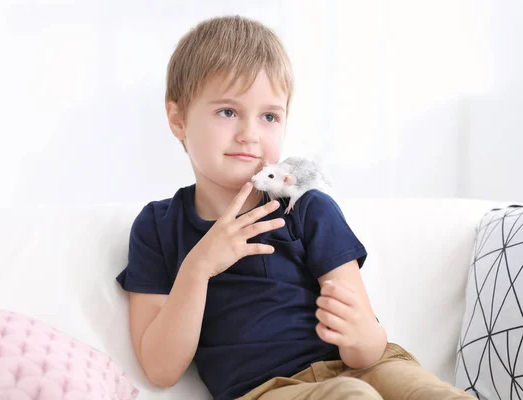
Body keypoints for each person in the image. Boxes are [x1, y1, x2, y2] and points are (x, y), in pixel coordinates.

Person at [115, 14, 475, 400]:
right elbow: (160, 369)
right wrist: (198, 268)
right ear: (178, 118)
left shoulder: (307, 208)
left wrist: (361, 334)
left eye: (269, 116)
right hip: (266, 390)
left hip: (368, 366)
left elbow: (366, 346)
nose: (249, 134)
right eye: (227, 112)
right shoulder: (157, 226)